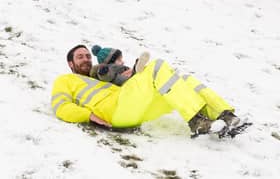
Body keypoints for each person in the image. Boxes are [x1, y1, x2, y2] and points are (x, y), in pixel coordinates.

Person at [51, 44, 240, 137]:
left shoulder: (98, 77)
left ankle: (225, 115)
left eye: (86, 56)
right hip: (116, 111)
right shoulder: (65, 80)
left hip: (134, 108)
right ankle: (196, 122)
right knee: (157, 66)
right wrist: (89, 116)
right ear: (71, 63)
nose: (85, 59)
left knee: (182, 79)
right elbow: (60, 107)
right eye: (80, 57)